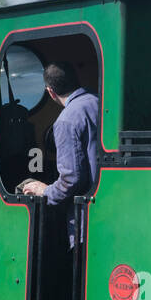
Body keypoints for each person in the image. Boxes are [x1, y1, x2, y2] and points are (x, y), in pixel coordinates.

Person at [18, 61, 100, 245]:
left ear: (50, 92)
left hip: (86, 223)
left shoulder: (66, 120)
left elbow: (71, 180)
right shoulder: (99, 102)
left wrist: (45, 191)